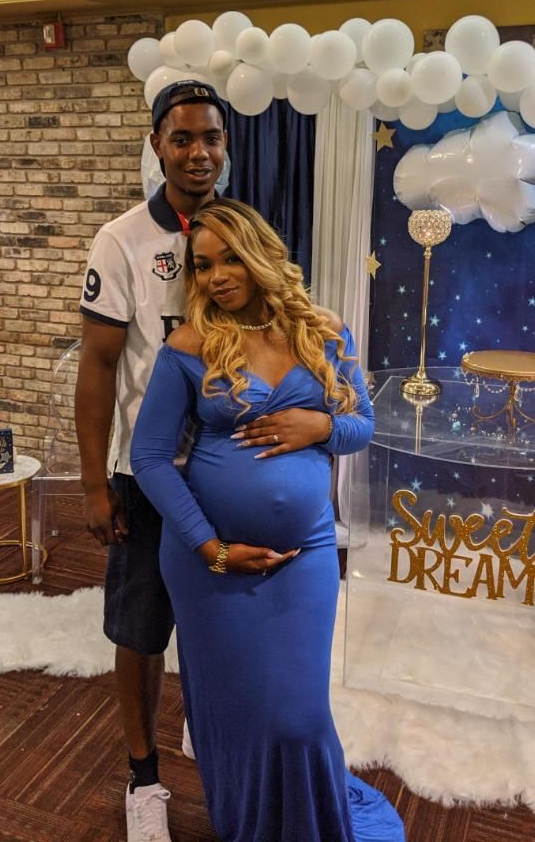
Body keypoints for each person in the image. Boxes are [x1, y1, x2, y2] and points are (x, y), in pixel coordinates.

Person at [75, 80, 344, 842]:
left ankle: (224, 745)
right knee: (139, 630)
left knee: (226, 630)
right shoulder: (122, 239)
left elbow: (293, 345)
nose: (199, 152)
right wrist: (95, 483)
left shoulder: (237, 230)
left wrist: (316, 421)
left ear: (228, 147)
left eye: (212, 138)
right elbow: (97, 368)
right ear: (157, 145)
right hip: (149, 476)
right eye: (183, 138)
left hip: (225, 469)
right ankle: (145, 777)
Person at [131, 199, 405, 842]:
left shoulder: (324, 330)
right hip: (210, 567)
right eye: (202, 267)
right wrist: (210, 548)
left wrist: (321, 424)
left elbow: (362, 426)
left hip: (305, 554)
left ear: (261, 255)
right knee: (239, 711)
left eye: (230, 258)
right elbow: (149, 458)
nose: (217, 276)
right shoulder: (190, 345)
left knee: (297, 715)